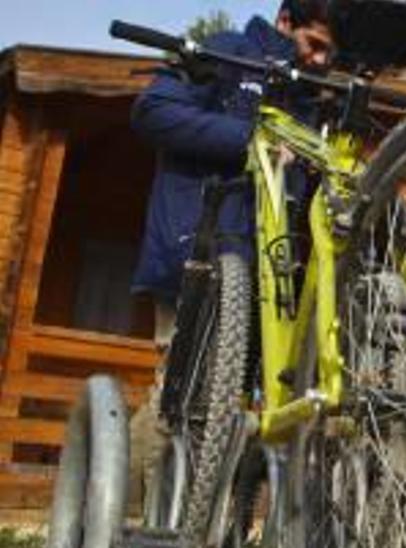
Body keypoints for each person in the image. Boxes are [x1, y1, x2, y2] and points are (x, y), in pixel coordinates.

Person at [127, 0, 334, 509]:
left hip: (266, 278)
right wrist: (251, 140)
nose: (323, 61)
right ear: (286, 22)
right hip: (196, 250)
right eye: (315, 46)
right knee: (181, 394)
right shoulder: (227, 52)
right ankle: (129, 518)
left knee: (226, 410)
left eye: (333, 52)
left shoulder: (307, 95)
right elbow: (153, 110)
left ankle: (191, 518)